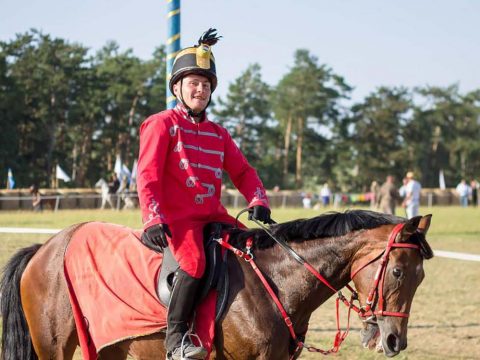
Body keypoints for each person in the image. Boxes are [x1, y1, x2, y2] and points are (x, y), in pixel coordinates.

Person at [136, 29, 271, 360]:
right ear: (177, 88)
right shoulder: (160, 124)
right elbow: (147, 175)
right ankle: (176, 340)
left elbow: (243, 172)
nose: (201, 89)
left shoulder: (218, 133)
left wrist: (258, 199)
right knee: (195, 263)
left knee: (254, 249)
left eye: (206, 84)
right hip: (176, 221)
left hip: (213, 216)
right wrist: (152, 217)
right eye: (194, 83)